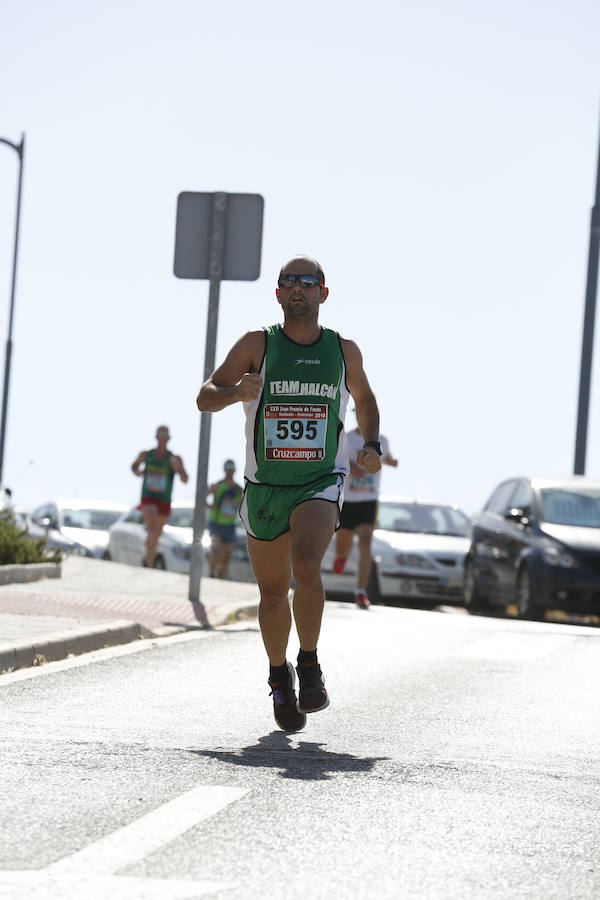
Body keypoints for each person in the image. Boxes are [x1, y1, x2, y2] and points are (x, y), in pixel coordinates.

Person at [196, 254, 382, 733]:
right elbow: (204, 395)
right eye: (288, 281)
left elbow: (364, 400)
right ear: (277, 293)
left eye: (307, 281)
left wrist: (371, 444)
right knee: (273, 592)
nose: (297, 287)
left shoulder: (344, 351)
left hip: (320, 480)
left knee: (305, 565)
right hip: (264, 486)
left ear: (324, 292)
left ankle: (309, 663)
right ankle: (279, 676)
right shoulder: (258, 344)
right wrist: (237, 391)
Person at [333, 424, 397, 608]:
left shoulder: (382, 440)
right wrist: (352, 468)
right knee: (342, 546)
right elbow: (337, 459)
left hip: (369, 499)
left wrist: (391, 461)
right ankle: (342, 557)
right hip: (347, 499)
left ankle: (361, 592)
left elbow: (385, 457)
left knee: (366, 541)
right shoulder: (346, 438)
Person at [131, 425, 189, 567]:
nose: (162, 437)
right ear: (156, 437)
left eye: (165, 434)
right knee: (151, 529)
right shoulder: (146, 454)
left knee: (156, 533)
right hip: (148, 496)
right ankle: (149, 565)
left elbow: (185, 479)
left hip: (164, 499)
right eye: (160, 434)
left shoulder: (174, 458)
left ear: (169, 438)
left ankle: (147, 558)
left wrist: (178, 469)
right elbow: (134, 466)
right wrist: (138, 472)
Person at [207, 459, 243, 578]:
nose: (229, 469)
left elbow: (242, 506)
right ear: (224, 469)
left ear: (234, 469)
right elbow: (202, 496)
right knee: (215, 549)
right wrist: (209, 505)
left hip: (230, 525)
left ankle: (220, 579)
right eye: (227, 466)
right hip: (216, 523)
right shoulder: (218, 485)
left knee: (226, 557)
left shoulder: (239, 490)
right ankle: (211, 574)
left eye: (231, 466)